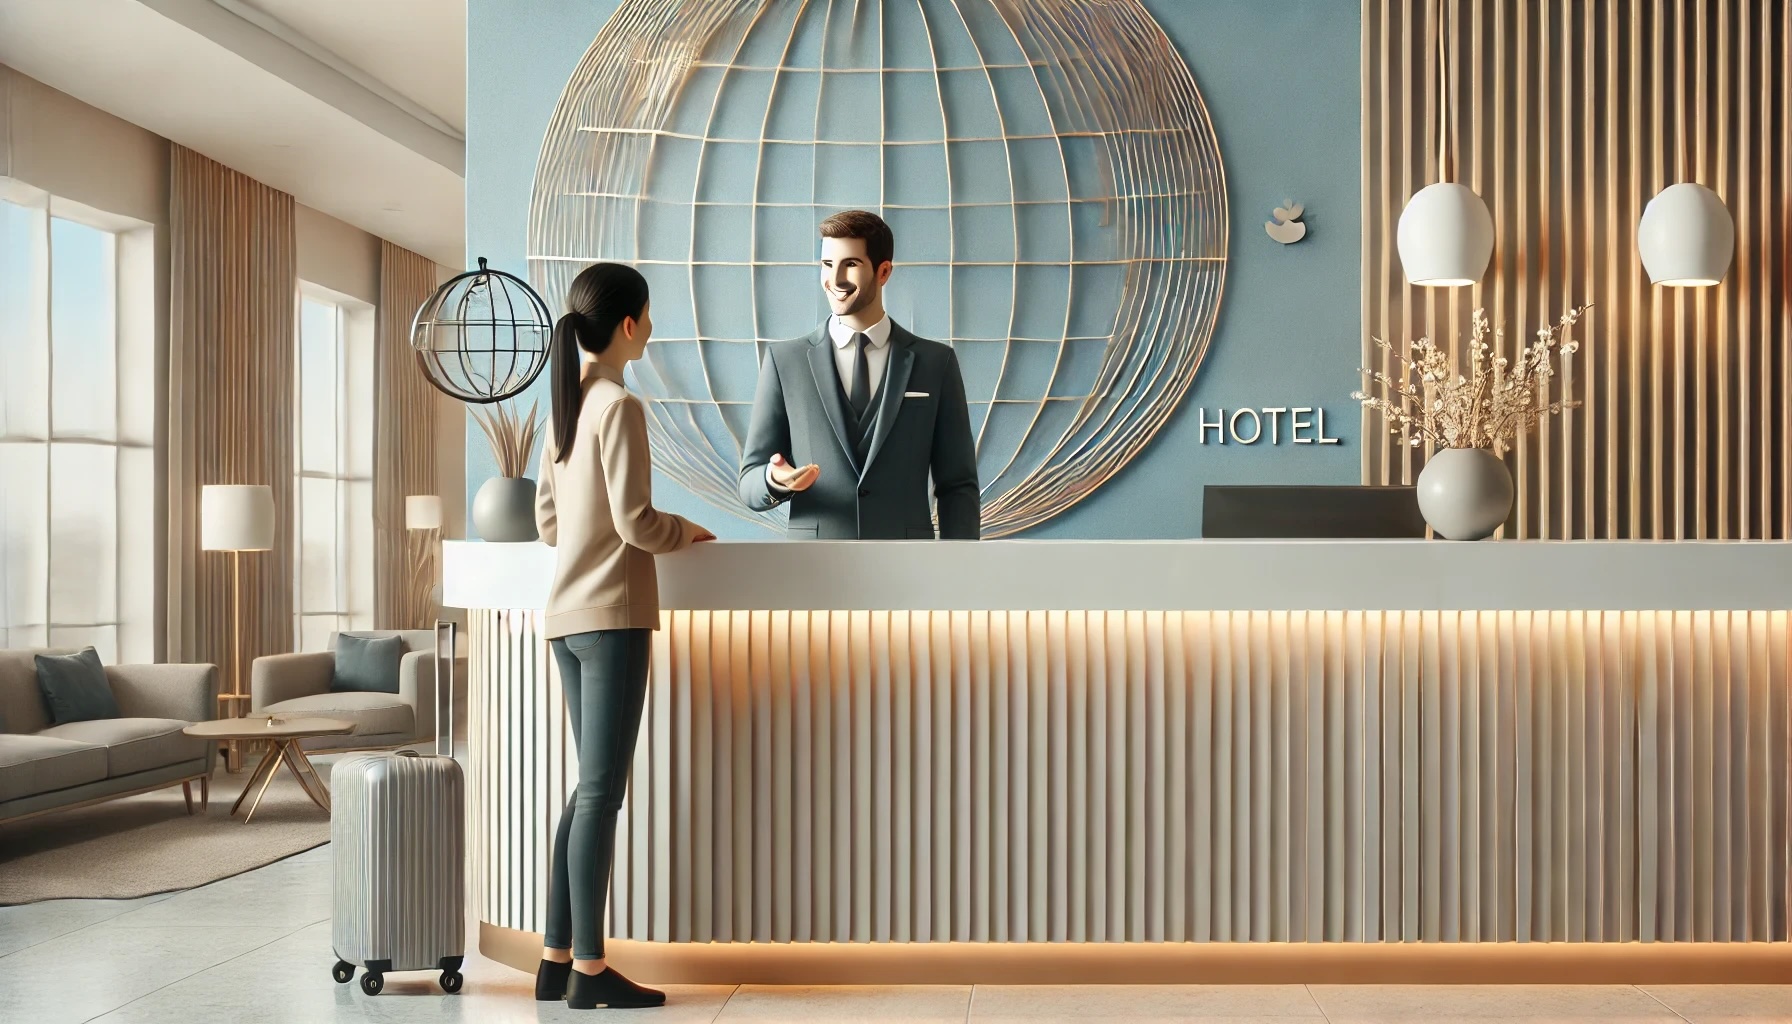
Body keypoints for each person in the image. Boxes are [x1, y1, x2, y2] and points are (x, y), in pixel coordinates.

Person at [532, 262, 714, 1010]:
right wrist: (689, 531)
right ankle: (591, 972)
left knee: (587, 791)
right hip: (613, 620)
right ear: (630, 325)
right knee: (601, 793)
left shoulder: (566, 407)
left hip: (566, 620)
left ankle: (553, 959)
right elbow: (639, 522)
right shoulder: (620, 406)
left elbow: (547, 521)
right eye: (650, 315)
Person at [738, 209, 980, 539]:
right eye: (827, 264)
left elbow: (958, 487)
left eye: (850, 264)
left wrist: (960, 572)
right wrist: (773, 480)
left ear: (883, 272)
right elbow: (749, 481)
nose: (835, 279)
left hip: (910, 569)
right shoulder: (785, 361)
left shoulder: (936, 363)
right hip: (814, 572)